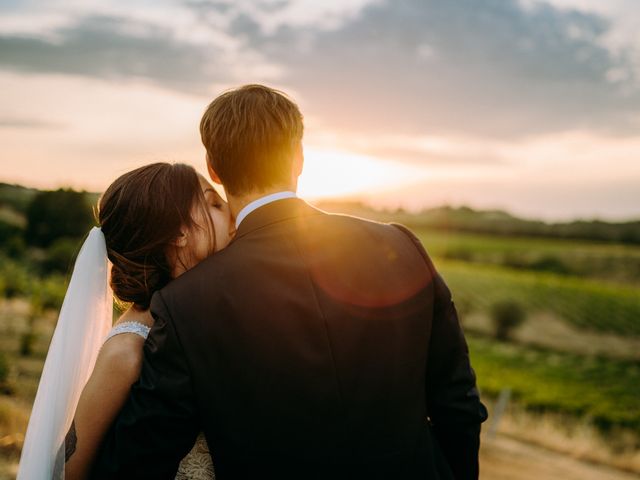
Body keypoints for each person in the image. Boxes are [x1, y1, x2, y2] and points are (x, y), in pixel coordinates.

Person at [92, 84, 488, 479]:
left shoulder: (184, 304)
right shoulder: (401, 246)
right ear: (298, 157)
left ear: (213, 168)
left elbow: (142, 456)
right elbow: (459, 405)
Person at [17, 163, 232, 479]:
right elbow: (68, 469)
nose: (230, 211)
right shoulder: (128, 349)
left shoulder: (187, 317)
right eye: (214, 203)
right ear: (179, 233)